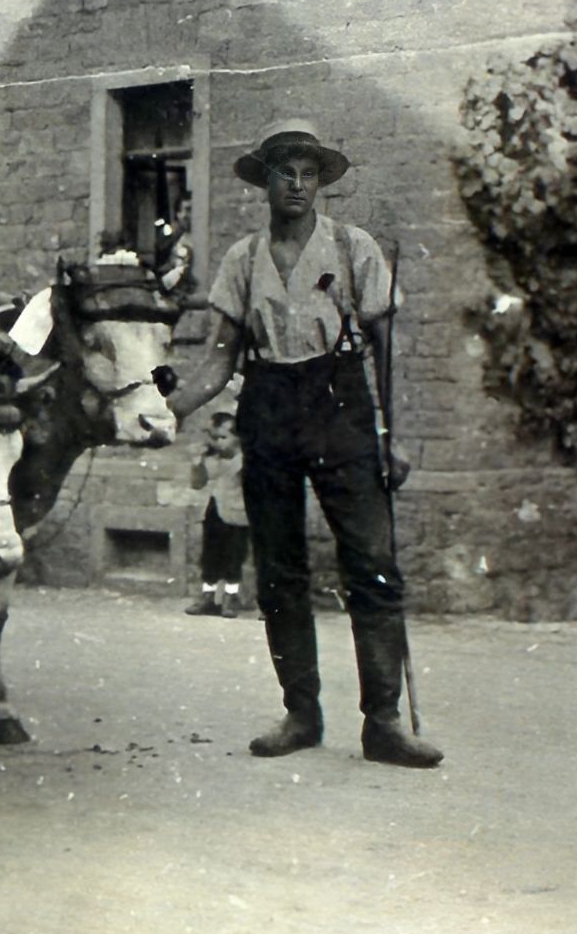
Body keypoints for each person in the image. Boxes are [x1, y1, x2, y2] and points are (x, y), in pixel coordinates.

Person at [166, 118, 441, 768]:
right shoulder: (243, 260)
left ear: (320, 182)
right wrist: (165, 408)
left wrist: (391, 438)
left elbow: (386, 353)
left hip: (340, 405)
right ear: (264, 180)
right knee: (281, 570)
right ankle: (300, 713)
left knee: (372, 565)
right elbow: (220, 360)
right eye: (284, 169)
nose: (296, 182)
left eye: (308, 171)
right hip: (268, 406)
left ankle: (384, 723)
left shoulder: (352, 249)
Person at [182, 411, 250, 618]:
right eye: (214, 437)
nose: (218, 443)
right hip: (215, 508)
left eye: (223, 437)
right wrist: (197, 463)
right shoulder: (213, 458)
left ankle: (231, 597)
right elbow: (197, 483)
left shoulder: (245, 458)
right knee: (210, 553)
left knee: (234, 555)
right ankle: (207, 596)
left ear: (238, 438)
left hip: (238, 512)